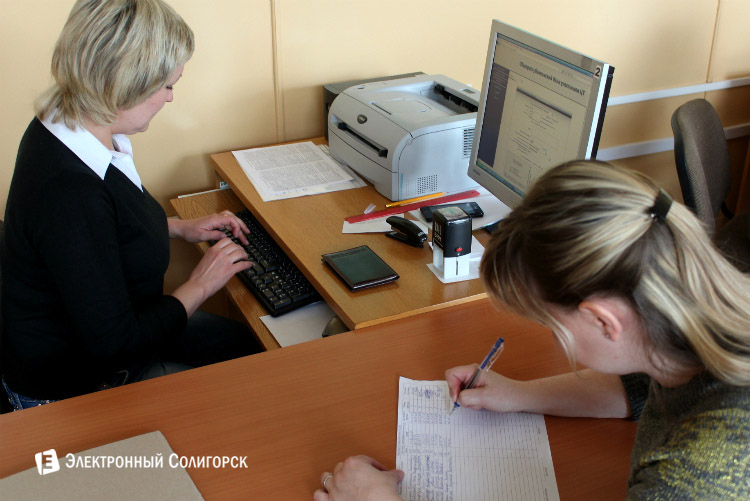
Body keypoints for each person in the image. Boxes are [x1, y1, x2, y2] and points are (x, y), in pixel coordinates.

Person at [314, 160, 750, 500]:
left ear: (604, 321)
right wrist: (517, 395)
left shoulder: (702, 473)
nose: (550, 335)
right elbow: (638, 385)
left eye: (550, 323)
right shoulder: (690, 330)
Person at [1, 0, 261, 410]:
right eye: (167, 86)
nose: (171, 98)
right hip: (74, 383)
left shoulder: (67, 123)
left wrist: (178, 227)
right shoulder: (68, 189)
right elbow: (115, 344)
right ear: (123, 87)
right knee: (240, 398)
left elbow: (98, 231)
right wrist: (201, 284)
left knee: (245, 344)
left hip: (116, 334)